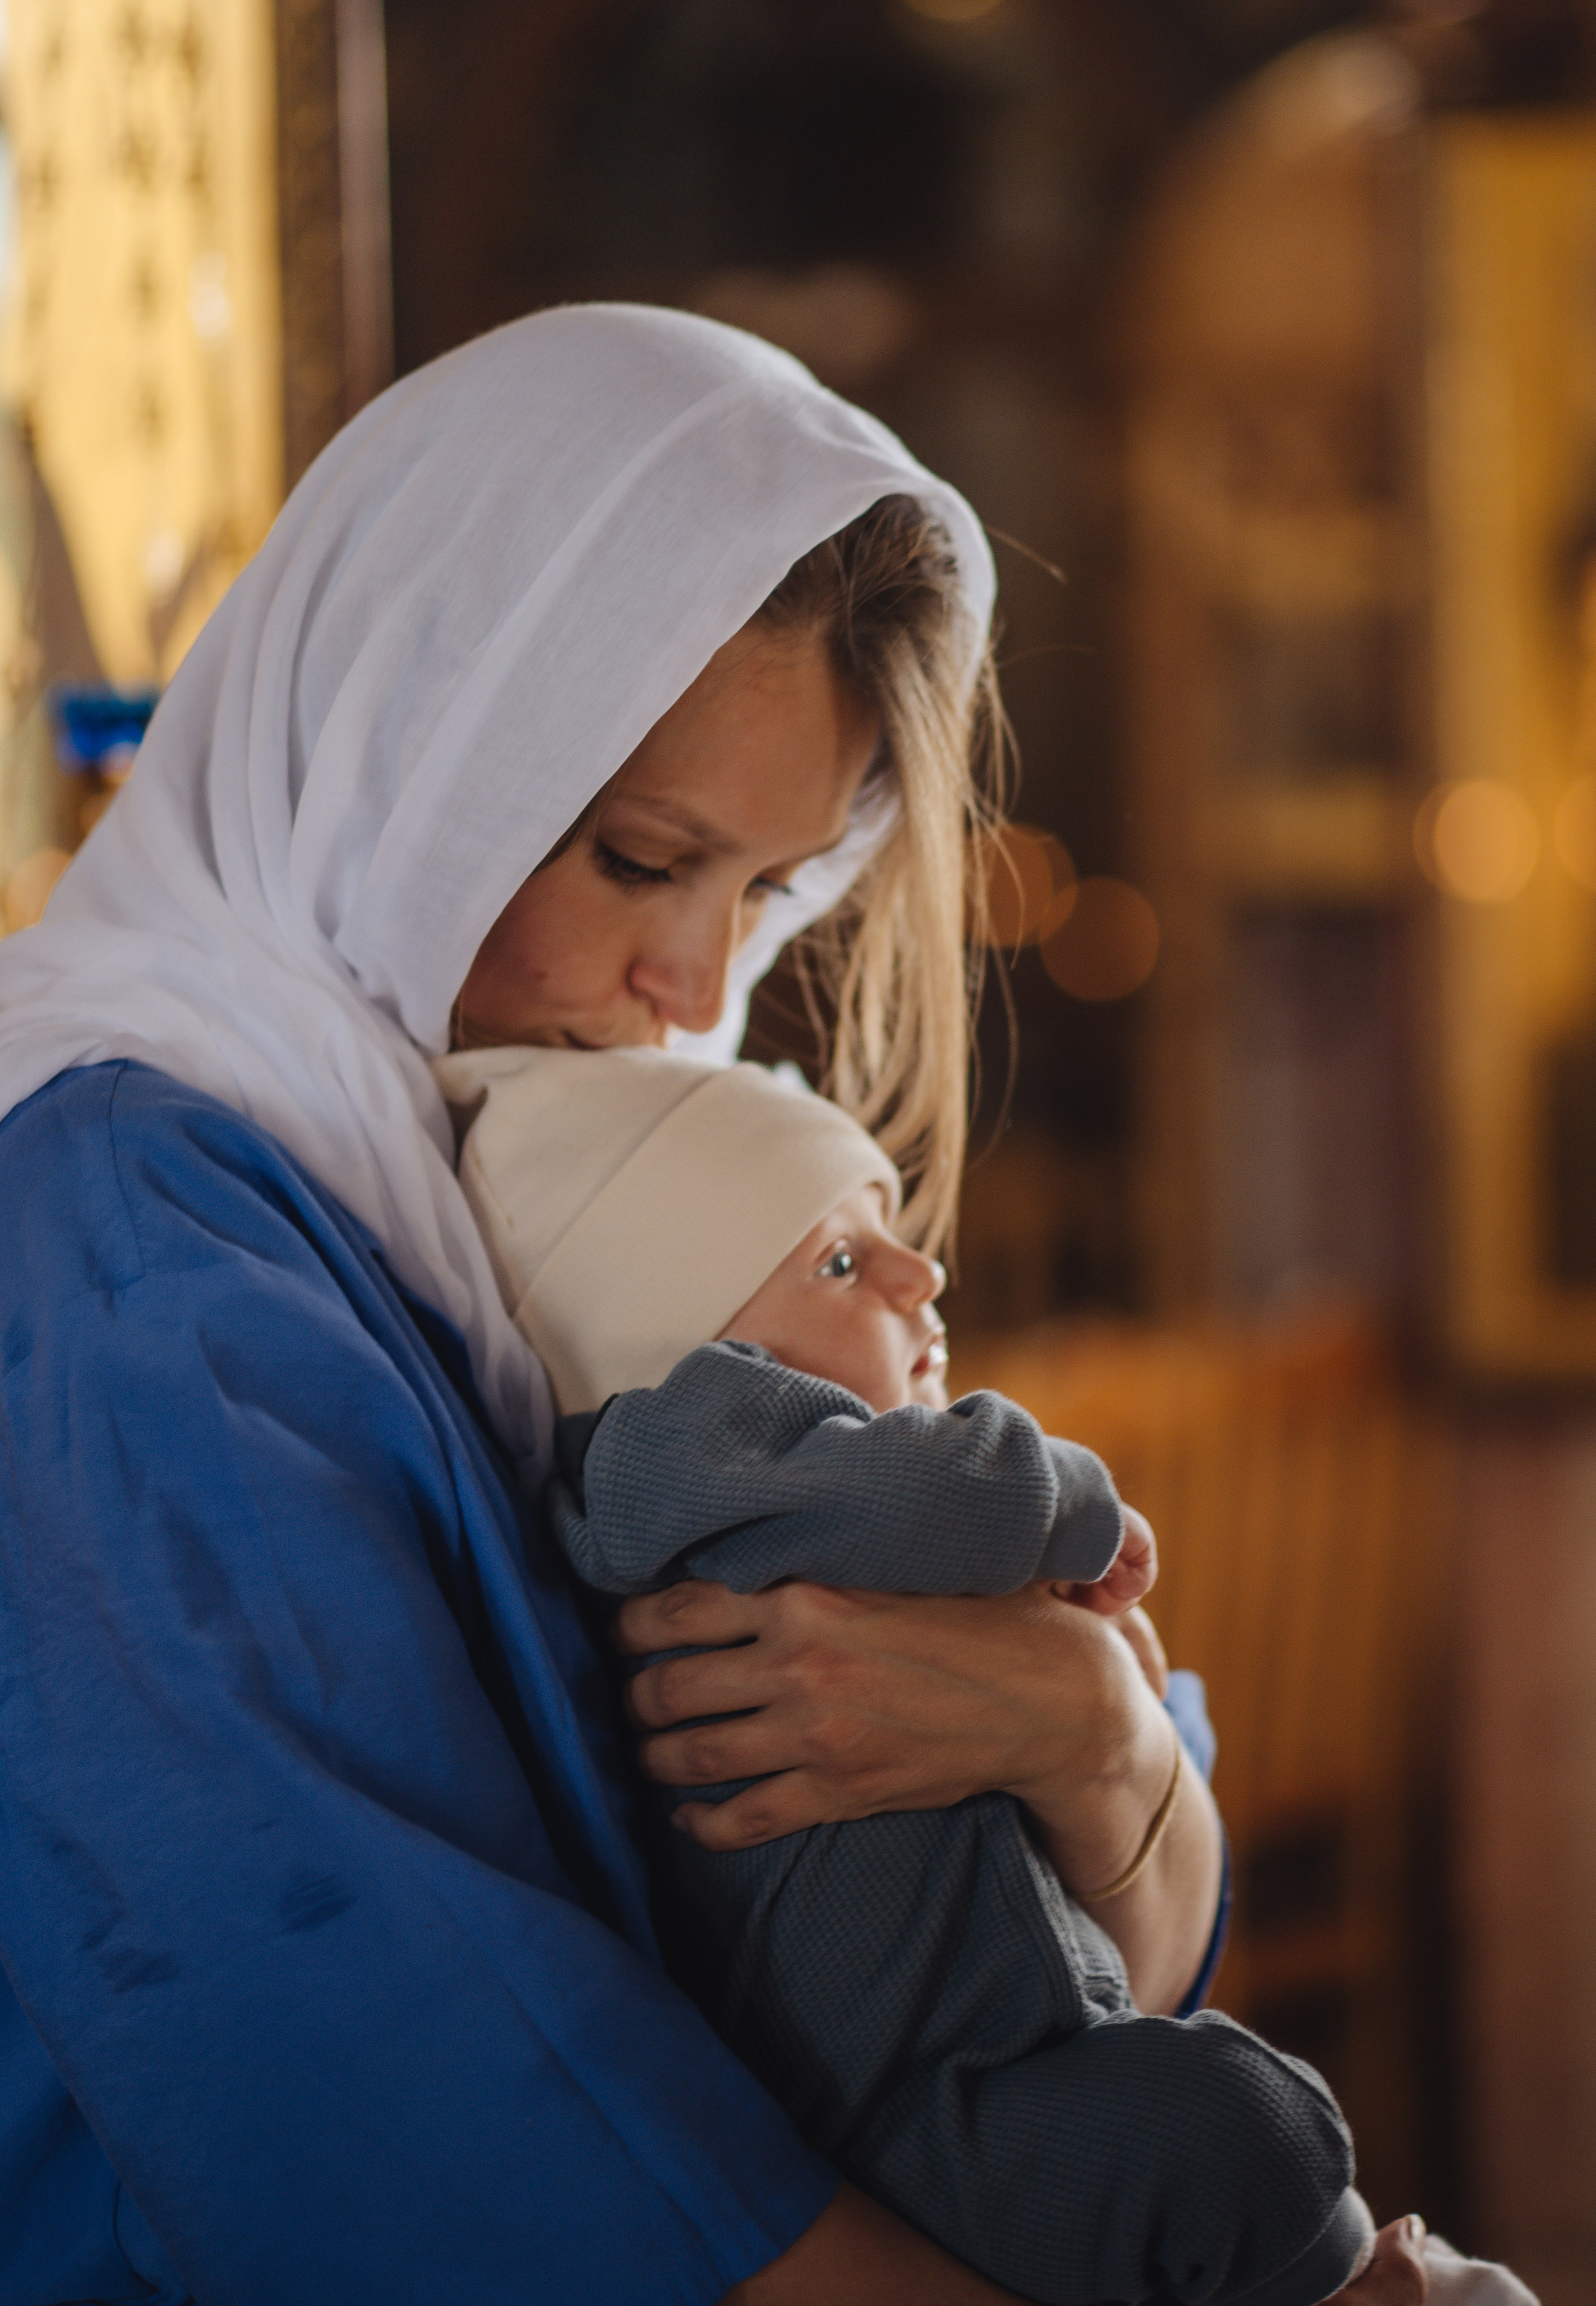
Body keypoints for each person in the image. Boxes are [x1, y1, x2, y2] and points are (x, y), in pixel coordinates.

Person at [0, 304, 1425, 2304]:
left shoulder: (615, 1198)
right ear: (400, 741)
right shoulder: (126, 1229)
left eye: (761, 890)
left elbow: (1109, 1944)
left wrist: (1088, 1727)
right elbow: (382, 2067)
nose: (693, 981)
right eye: (635, 856)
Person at [434, 1037, 1375, 2306]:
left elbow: (1165, 1864)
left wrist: (1089, 1691)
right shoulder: (672, 1448)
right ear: (676, 1336)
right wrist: (1071, 1502)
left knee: (1233, 2120)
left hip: (998, 2044)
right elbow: (958, 1488)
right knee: (1244, 2128)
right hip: (915, 2105)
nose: (918, 1267)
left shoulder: (792, 1505)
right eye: (836, 1258)